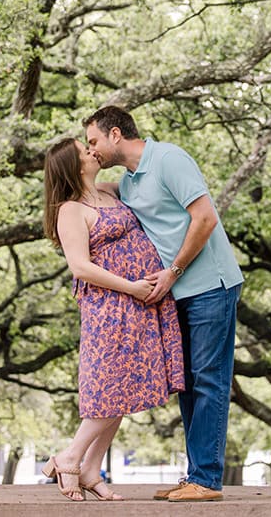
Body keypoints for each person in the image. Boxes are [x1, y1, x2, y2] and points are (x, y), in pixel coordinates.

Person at [84, 106, 243, 503]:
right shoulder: (128, 182)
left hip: (210, 285)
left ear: (115, 134)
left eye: (93, 141)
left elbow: (205, 219)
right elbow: (100, 193)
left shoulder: (169, 159)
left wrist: (172, 271)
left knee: (208, 379)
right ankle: (196, 475)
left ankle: (207, 480)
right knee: (188, 383)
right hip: (178, 295)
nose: (92, 149)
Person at [41, 137, 185, 502]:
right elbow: (80, 267)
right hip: (110, 307)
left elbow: (145, 186)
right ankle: (70, 457)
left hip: (139, 305)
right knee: (110, 386)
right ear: (73, 166)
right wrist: (131, 287)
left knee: (125, 388)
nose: (92, 151)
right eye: (84, 150)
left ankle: (91, 468)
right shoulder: (70, 210)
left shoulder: (108, 191)